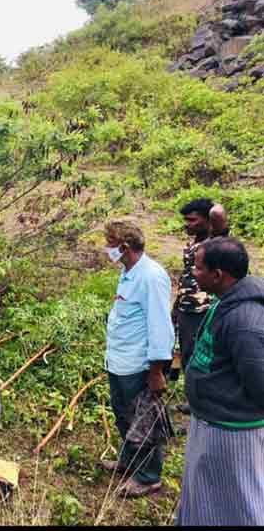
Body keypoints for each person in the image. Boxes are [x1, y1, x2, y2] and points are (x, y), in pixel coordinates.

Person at [177, 238, 264, 526]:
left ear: (218, 275)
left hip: (232, 433)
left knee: (239, 501)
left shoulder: (245, 322)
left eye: (199, 269)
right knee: (207, 494)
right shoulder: (225, 301)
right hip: (212, 422)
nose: (193, 275)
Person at [101, 220, 175, 498]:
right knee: (123, 413)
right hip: (120, 360)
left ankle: (148, 476)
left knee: (142, 421)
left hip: (138, 364)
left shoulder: (151, 277)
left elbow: (160, 326)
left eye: (110, 244)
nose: (106, 249)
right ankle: (130, 461)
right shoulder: (129, 271)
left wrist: (156, 370)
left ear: (124, 247)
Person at [171, 198, 229, 415]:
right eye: (186, 220)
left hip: (204, 308)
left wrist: (213, 210)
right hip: (187, 306)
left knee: (202, 355)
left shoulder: (216, 242)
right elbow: (186, 277)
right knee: (187, 354)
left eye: (193, 220)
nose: (187, 224)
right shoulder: (194, 242)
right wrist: (176, 307)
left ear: (207, 221)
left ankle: (206, 401)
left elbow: (219, 215)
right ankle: (194, 399)